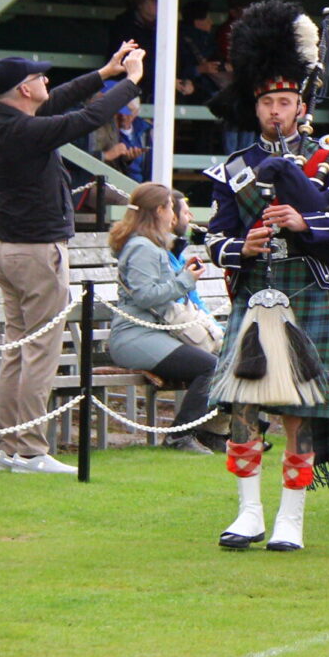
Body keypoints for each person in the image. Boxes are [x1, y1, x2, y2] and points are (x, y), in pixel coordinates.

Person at [202, 0, 329, 552]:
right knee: (243, 410)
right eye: (268, 103)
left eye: (285, 101)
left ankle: (291, 520)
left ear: (301, 106)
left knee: (300, 416)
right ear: (255, 108)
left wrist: (304, 220)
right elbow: (211, 239)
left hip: (309, 296)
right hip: (257, 296)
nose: (277, 111)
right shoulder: (233, 170)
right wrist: (241, 245)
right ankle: (249, 513)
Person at [0, 47, 144, 473]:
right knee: (39, 352)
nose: (46, 83)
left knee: (17, 351)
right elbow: (86, 119)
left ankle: (8, 448)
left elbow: (57, 102)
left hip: (10, 251)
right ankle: (31, 450)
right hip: (37, 253)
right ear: (23, 89)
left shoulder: (0, 120)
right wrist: (129, 82)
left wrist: (103, 72)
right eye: (39, 78)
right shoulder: (23, 131)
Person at [105, 182, 221, 454]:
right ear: (159, 210)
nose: (173, 214)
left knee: (217, 364)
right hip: (135, 337)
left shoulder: (147, 245)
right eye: (170, 207)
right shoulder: (142, 247)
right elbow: (146, 297)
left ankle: (208, 433)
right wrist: (185, 281)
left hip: (152, 334)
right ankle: (180, 436)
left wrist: (182, 278)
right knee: (210, 367)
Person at [88, 83, 152, 181]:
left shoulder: (144, 131)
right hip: (93, 182)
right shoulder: (87, 121)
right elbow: (74, 156)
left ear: (136, 112)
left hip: (128, 183)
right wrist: (106, 155)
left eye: (128, 112)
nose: (123, 116)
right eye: (118, 111)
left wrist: (126, 159)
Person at [108, 0, 158, 94]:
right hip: (129, 83)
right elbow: (127, 60)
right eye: (154, 0)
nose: (159, 4)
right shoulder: (124, 26)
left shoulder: (165, 28)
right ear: (140, 3)